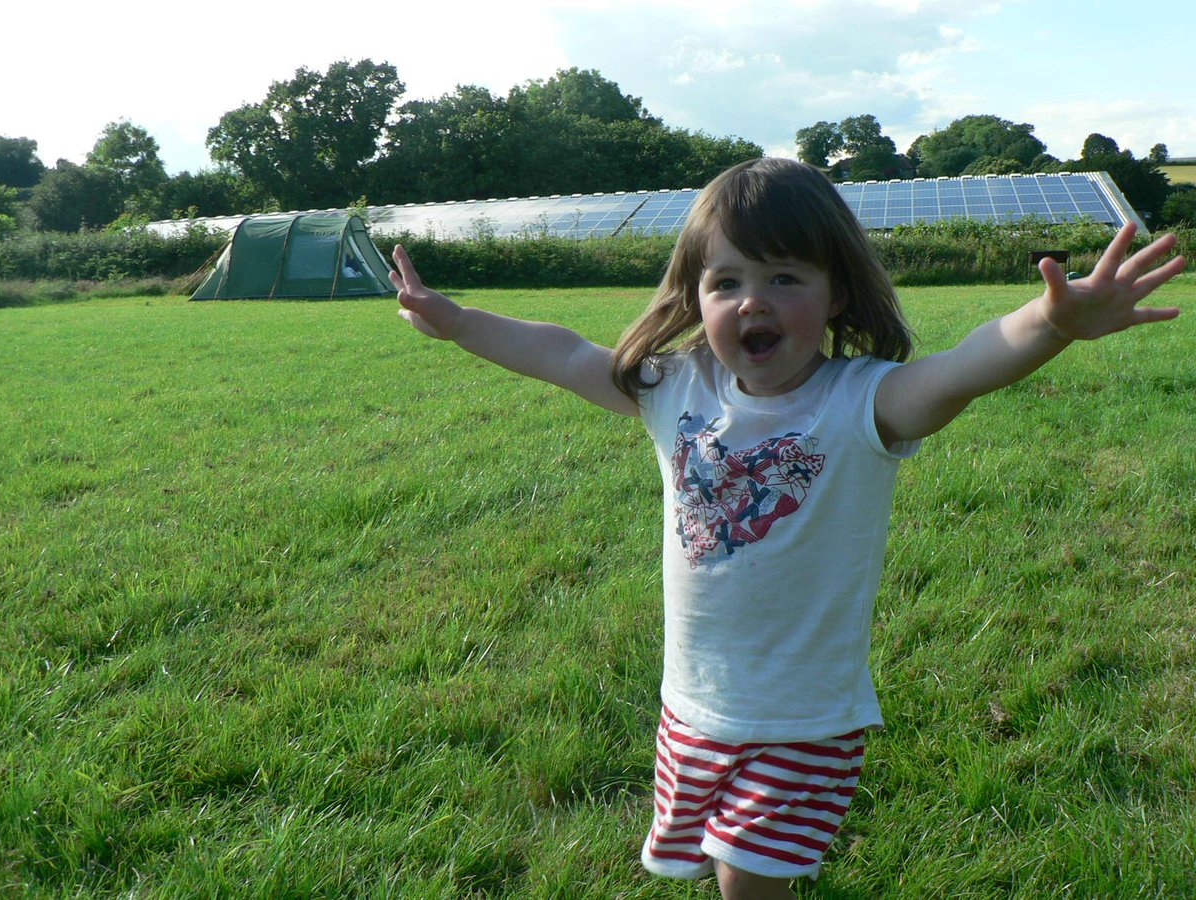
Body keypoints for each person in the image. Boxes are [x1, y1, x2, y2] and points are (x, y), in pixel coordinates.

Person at [388, 158, 1185, 899]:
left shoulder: (861, 402)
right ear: (696, 297)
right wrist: (457, 321)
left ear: (835, 293)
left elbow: (959, 369)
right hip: (694, 705)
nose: (751, 301)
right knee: (710, 856)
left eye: (783, 277)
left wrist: (1049, 324)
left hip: (804, 718)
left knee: (747, 879)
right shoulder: (675, 389)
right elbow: (560, 352)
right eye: (726, 280)